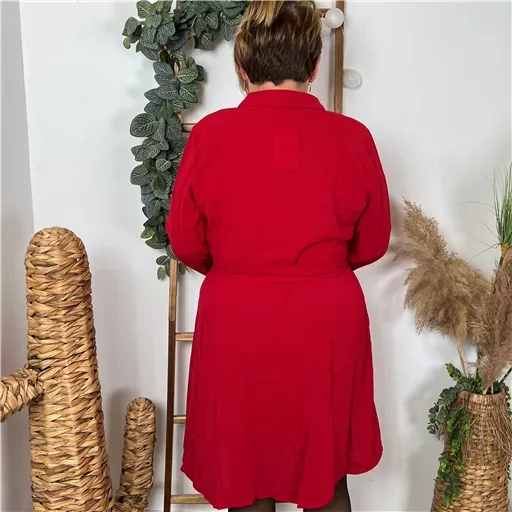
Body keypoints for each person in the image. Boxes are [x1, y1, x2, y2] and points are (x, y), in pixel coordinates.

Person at [166, 0, 391, 510]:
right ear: (314, 68)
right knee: (327, 475)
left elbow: (185, 239)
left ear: (241, 68)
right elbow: (374, 240)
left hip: (236, 318)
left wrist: (239, 272)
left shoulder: (210, 136)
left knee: (245, 469)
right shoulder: (353, 138)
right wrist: (318, 271)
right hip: (326, 318)